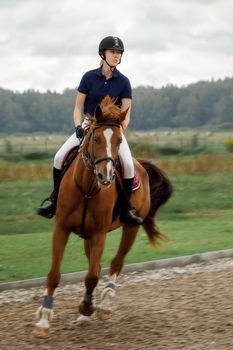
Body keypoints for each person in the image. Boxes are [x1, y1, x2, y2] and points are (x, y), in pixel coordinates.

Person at [37, 36, 142, 226]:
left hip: (112, 129)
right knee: (59, 157)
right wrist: (78, 126)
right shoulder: (88, 77)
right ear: (103, 54)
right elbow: (78, 107)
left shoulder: (124, 82)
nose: (116, 56)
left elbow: (126, 113)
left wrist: (119, 130)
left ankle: (125, 211)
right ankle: (54, 202)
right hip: (88, 124)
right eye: (113, 52)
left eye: (119, 53)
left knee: (128, 164)